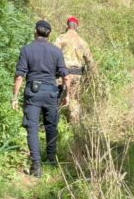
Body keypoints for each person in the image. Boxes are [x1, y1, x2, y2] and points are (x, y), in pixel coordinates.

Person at [13, 20, 69, 177]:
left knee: (32, 128)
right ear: (49, 34)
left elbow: (19, 76)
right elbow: (65, 76)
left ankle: (36, 165)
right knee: (51, 126)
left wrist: (15, 97)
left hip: (33, 93)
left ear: (35, 32)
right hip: (51, 93)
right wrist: (67, 95)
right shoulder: (56, 51)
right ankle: (51, 160)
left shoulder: (27, 49)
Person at [53, 16, 95, 123]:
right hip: (77, 74)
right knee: (74, 99)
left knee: (56, 97)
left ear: (67, 26)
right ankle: (73, 124)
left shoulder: (61, 38)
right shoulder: (83, 42)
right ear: (77, 27)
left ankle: (53, 122)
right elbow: (90, 62)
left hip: (62, 74)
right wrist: (93, 77)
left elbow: (52, 55)